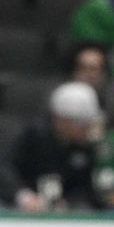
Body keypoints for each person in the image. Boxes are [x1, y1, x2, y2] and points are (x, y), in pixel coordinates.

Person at [7, 81, 103, 211]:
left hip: (66, 210)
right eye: (80, 123)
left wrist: (68, 202)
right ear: (60, 120)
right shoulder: (30, 137)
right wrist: (23, 196)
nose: (86, 129)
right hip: (20, 204)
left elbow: (86, 188)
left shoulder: (87, 148)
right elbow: (3, 169)